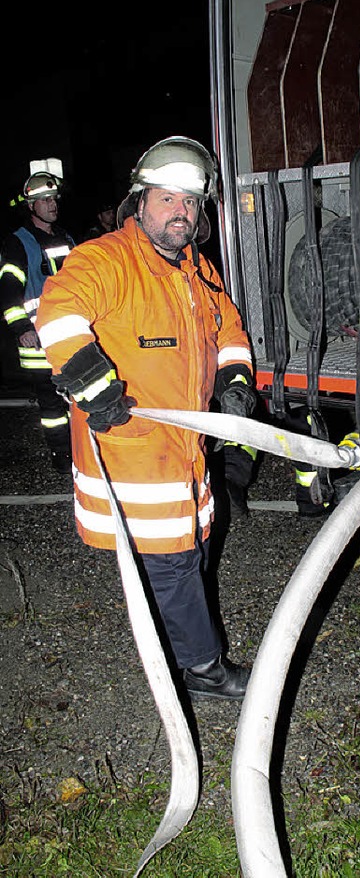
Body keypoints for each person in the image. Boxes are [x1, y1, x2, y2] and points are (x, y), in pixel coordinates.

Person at [35, 136, 256, 702]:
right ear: (140, 203)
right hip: (133, 451)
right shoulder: (106, 258)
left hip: (185, 450)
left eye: (189, 203)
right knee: (176, 566)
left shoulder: (196, 271)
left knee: (196, 549)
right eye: (166, 200)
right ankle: (203, 669)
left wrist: (233, 379)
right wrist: (92, 384)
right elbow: (57, 313)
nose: (179, 213)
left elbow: (228, 329)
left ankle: (175, 638)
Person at [0, 169, 74, 472]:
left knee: (77, 396)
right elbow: (8, 292)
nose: (52, 204)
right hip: (38, 339)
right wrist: (21, 328)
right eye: (44, 200)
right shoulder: (18, 243)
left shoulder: (66, 237)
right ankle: (62, 457)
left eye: (54, 198)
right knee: (52, 405)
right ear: (31, 206)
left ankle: (79, 451)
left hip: (70, 332)